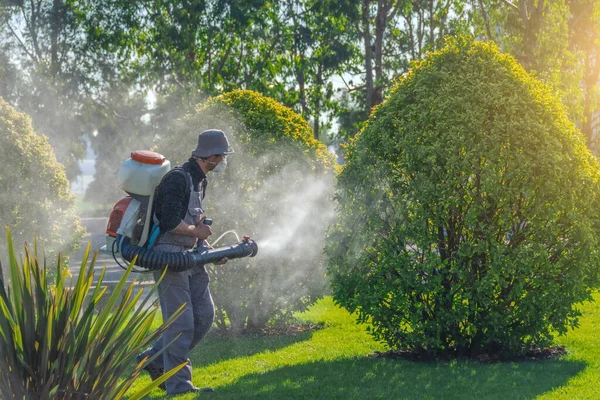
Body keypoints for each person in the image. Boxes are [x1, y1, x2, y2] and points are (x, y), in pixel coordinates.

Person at [136, 129, 233, 395]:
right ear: (210, 156)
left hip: (191, 255)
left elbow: (195, 223)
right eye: (221, 157)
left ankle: (154, 360)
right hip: (168, 256)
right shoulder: (177, 179)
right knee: (180, 324)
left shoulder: (200, 181)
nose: (223, 161)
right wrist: (195, 233)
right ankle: (179, 387)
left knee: (204, 316)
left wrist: (209, 248)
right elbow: (169, 220)